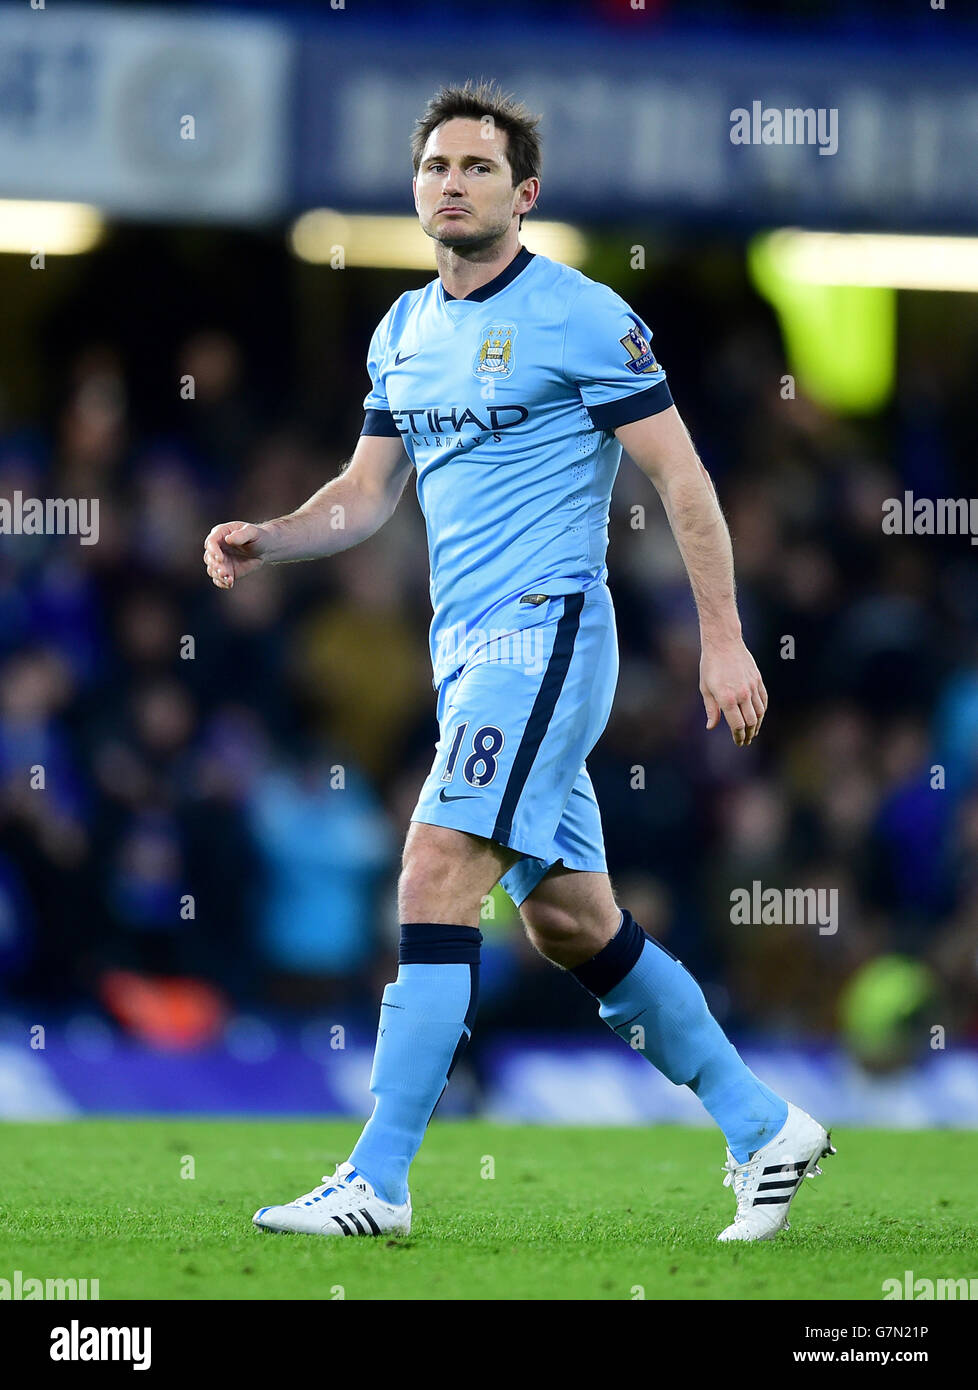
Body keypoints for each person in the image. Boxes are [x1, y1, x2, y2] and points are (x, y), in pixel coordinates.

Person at [203, 80, 834, 1243]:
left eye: (477, 167)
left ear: (525, 192)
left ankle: (377, 1181)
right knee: (572, 923)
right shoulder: (401, 332)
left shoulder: (584, 317)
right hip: (467, 658)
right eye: (436, 165)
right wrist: (270, 536)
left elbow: (683, 481)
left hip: (545, 636)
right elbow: (363, 495)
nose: (451, 181)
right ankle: (764, 1126)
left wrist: (725, 636)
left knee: (437, 862)